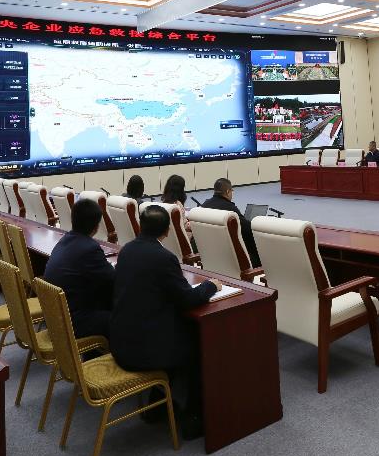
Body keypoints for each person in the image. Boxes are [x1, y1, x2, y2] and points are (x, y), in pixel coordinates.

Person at [111, 204, 221, 439]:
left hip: (121, 341)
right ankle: (194, 419)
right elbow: (189, 299)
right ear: (167, 231)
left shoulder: (127, 250)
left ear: (140, 226)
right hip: (142, 351)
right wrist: (211, 286)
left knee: (178, 331)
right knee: (200, 347)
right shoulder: (164, 257)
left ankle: (158, 405)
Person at [41, 198, 115, 339]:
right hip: (73, 322)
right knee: (124, 316)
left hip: (56, 316)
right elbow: (114, 279)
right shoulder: (90, 248)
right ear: (96, 226)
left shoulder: (64, 240)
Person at [201, 177, 260, 267]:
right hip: (232, 257)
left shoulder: (204, 205)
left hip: (210, 252)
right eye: (232, 191)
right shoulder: (229, 209)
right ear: (228, 191)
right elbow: (247, 229)